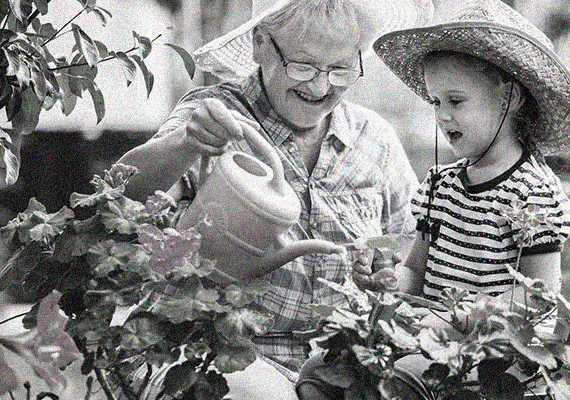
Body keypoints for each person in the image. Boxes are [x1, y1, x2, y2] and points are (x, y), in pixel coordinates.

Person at [116, 0, 433, 398]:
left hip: (337, 368)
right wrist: (184, 144)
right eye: (303, 66)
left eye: (340, 69)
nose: (320, 87)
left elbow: (411, 257)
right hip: (217, 356)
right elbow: (120, 195)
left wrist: (386, 271)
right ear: (261, 44)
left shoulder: (375, 139)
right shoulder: (217, 117)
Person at [297, 0, 570, 398]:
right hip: (430, 339)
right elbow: (416, 272)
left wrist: (459, 318)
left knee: (398, 384)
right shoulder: (441, 185)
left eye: (456, 101)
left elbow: (539, 297)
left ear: (508, 99)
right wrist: (386, 279)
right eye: (435, 102)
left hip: (495, 355)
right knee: (320, 371)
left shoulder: (534, 192)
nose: (442, 116)